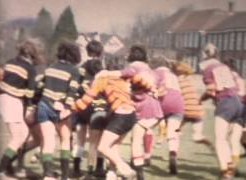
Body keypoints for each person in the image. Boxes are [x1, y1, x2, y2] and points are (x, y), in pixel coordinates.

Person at [97, 45, 163, 180]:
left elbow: (124, 74)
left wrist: (106, 73)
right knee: (119, 142)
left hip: (144, 108)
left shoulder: (134, 67)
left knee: (136, 141)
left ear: (132, 56)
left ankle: (135, 174)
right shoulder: (150, 69)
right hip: (155, 108)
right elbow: (160, 88)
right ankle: (113, 173)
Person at [72, 63, 137, 180]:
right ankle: (112, 174)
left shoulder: (102, 79)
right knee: (114, 147)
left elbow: (85, 100)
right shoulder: (124, 78)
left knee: (102, 147)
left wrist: (70, 107)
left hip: (121, 115)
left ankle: (125, 169)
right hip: (131, 115)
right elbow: (135, 73)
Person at [0, 40, 42, 179]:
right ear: (32, 54)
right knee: (18, 137)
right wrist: (29, 107)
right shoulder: (30, 68)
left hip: (3, 98)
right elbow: (30, 92)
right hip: (13, 101)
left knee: (23, 133)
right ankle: (0, 170)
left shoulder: (10, 61)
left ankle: (8, 165)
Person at [199, 43, 246, 180]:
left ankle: (225, 172)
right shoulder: (224, 67)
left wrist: (200, 99)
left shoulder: (208, 69)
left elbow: (211, 89)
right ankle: (230, 164)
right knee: (228, 138)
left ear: (205, 55)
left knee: (220, 139)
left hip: (226, 102)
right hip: (238, 102)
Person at [36, 41, 81, 180]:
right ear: (74, 55)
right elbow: (72, 91)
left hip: (43, 105)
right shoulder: (74, 70)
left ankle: (48, 175)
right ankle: (65, 176)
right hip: (61, 108)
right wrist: (67, 107)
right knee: (65, 140)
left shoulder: (50, 67)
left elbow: (39, 86)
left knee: (48, 142)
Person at [72, 40, 107, 177]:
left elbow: (76, 86)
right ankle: (97, 168)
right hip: (98, 106)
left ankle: (75, 168)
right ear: (100, 53)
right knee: (97, 140)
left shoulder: (81, 68)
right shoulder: (103, 70)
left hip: (82, 106)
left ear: (88, 52)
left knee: (80, 139)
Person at [150, 56, 185, 174]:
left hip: (163, 102)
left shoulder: (156, 72)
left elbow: (153, 88)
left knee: (147, 127)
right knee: (173, 133)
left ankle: (145, 156)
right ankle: (173, 153)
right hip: (178, 103)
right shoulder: (173, 75)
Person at [172, 61, 212, 147]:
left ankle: (173, 151)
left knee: (174, 131)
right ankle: (209, 144)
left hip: (186, 110)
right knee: (197, 137)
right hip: (197, 110)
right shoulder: (189, 79)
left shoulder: (176, 81)